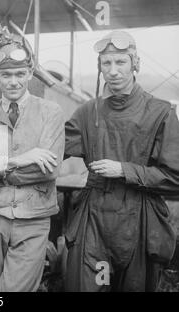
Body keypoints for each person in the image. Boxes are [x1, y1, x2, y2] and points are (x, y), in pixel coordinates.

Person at [64, 30, 179, 291]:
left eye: (121, 62)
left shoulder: (161, 113)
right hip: (93, 220)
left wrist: (124, 170)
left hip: (141, 221)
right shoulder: (86, 113)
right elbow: (53, 146)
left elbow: (175, 179)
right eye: (107, 63)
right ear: (100, 67)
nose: (113, 71)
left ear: (135, 63)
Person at [0, 38, 65, 291]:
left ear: (30, 73)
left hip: (34, 219)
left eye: (19, 74)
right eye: (6, 75)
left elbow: (49, 170)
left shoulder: (51, 112)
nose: (13, 81)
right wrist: (14, 161)